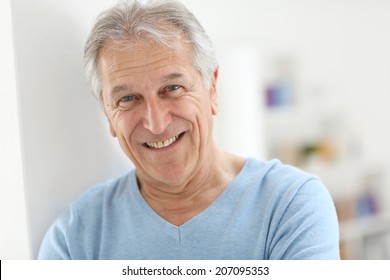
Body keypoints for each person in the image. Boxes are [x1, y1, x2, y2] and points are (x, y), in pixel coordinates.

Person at [38, 0, 340, 260]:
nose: (156, 123)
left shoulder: (291, 205)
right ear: (107, 113)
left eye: (172, 88)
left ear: (212, 89)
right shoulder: (75, 236)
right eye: (128, 99)